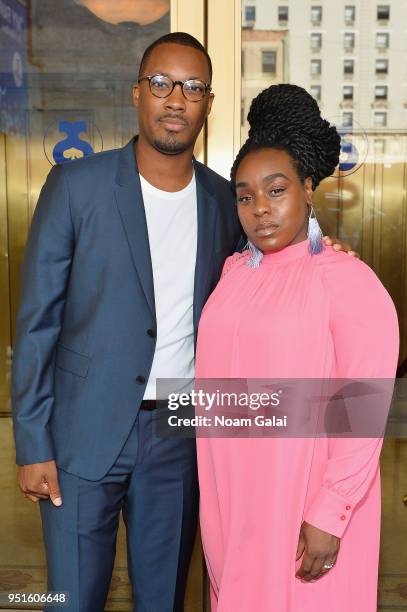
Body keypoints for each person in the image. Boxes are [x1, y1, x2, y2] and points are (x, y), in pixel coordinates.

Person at [12, 33, 352, 612]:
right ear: (138, 94)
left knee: (163, 598)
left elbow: (271, 271)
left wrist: (326, 250)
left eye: (193, 87)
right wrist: (32, 441)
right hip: (80, 434)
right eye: (163, 83)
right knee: (69, 599)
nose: (176, 99)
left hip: (179, 433)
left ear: (208, 103)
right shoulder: (76, 187)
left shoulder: (228, 202)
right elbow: (37, 324)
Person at [195, 84, 399, 611]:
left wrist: (330, 511)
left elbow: (364, 404)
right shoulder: (233, 273)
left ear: (308, 189)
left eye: (276, 190)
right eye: (245, 195)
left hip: (305, 503)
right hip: (233, 500)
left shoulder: (346, 279)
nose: (260, 208)